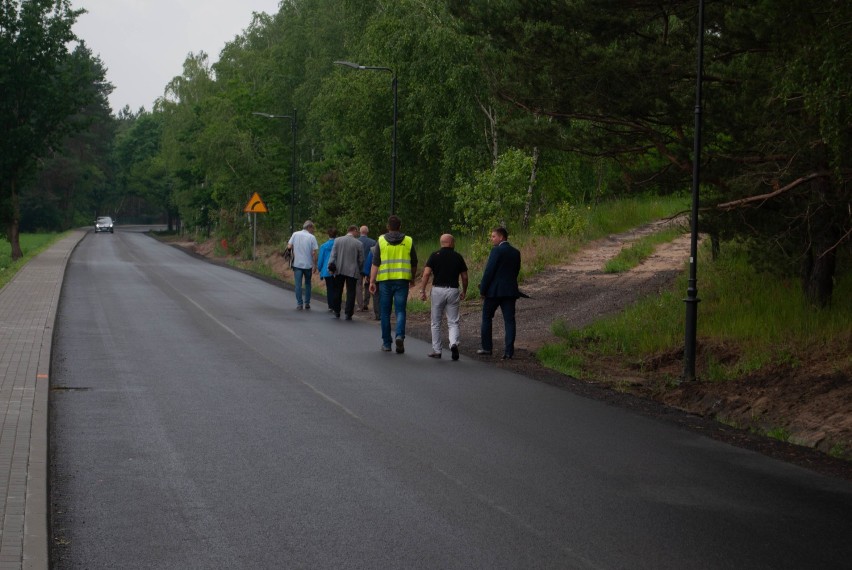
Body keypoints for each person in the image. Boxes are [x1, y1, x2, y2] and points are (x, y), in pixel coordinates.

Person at [369, 215, 418, 353]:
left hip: (385, 280)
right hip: (402, 280)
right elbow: (414, 262)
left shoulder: (381, 240)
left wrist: (372, 281)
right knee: (400, 310)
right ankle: (400, 336)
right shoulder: (408, 241)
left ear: (388, 227)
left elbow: (375, 263)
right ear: (400, 226)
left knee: (385, 312)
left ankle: (386, 343)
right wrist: (412, 278)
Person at [419, 234, 468, 360]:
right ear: (451, 243)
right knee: (453, 321)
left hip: (438, 290)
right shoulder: (458, 257)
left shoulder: (434, 256)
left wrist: (422, 290)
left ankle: (437, 350)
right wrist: (464, 290)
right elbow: (464, 276)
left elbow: (426, 274)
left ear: (442, 243)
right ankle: (453, 343)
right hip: (453, 290)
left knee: (436, 322)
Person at [477, 227, 521, 359]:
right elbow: (516, 271)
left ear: (501, 237)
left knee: (486, 317)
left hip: (494, 292)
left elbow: (489, 272)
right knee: (509, 321)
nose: (492, 239)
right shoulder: (516, 252)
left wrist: (483, 289)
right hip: (510, 291)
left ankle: (487, 347)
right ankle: (509, 351)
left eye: (493, 236)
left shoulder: (496, 251)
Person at [328, 225, 364, 320]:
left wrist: (331, 267)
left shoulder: (338, 240)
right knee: (351, 292)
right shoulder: (358, 243)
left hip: (339, 269)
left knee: (337, 290)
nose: (358, 234)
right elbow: (361, 259)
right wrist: (359, 268)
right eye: (357, 232)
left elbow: (333, 255)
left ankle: (337, 311)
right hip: (352, 271)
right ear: (354, 230)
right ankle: (348, 313)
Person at [286, 220, 319, 310]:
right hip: (308, 265)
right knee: (308, 284)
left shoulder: (295, 234)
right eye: (312, 228)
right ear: (309, 227)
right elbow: (314, 253)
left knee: (298, 284)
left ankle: (299, 304)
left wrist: (293, 249)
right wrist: (315, 265)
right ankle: (307, 303)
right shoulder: (312, 237)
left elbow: (289, 246)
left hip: (297, 264)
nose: (313, 230)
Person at [356, 225, 377, 312]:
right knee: (368, 284)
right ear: (367, 232)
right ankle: (366, 303)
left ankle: (360, 305)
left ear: (360, 232)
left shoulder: (356, 241)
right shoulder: (373, 242)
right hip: (369, 267)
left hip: (358, 267)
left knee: (358, 286)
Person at [317, 227, 338, 312]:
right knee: (336, 288)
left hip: (326, 270)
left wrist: (319, 268)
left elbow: (321, 259)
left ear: (328, 234)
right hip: (337, 269)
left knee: (329, 288)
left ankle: (330, 306)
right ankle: (336, 305)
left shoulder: (323, 246)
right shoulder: (338, 245)